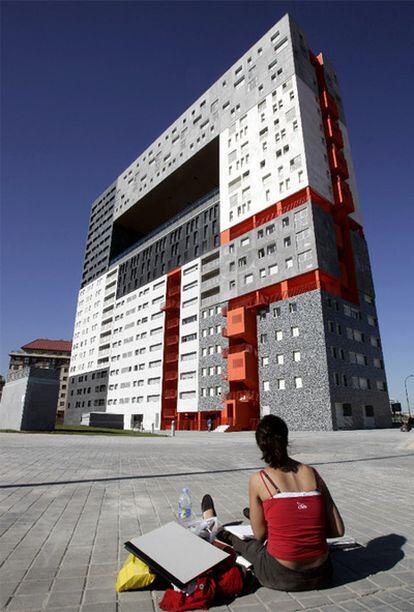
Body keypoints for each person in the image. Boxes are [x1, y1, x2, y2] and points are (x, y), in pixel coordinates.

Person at [201, 415, 344, 592]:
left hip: (282, 574)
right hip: (323, 573)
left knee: (250, 546)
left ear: (260, 445)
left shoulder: (259, 480)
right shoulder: (312, 473)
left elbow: (260, 535)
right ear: (286, 439)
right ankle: (261, 515)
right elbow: (338, 530)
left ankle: (218, 529)